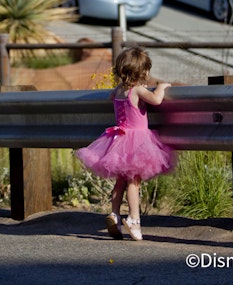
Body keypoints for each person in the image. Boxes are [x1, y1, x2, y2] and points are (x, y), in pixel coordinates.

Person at [75, 46, 175, 241]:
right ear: (142, 72)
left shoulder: (118, 90)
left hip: (119, 139)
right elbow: (156, 100)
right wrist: (161, 87)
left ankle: (114, 214)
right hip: (136, 142)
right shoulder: (137, 90)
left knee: (120, 181)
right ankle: (134, 219)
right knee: (133, 181)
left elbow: (111, 97)